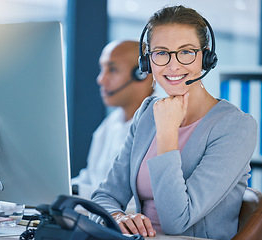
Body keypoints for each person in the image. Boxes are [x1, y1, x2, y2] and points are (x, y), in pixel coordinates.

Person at [91, 5, 257, 240]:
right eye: (161, 53)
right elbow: (104, 196)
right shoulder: (148, 113)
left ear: (206, 57)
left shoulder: (235, 127)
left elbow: (177, 221)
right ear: (147, 61)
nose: (173, 65)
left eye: (186, 51)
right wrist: (116, 217)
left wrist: (167, 133)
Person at [72, 40, 154, 199]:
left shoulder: (159, 124)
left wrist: (78, 192)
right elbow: (90, 177)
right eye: (102, 69)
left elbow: (139, 200)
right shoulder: (111, 123)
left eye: (112, 69)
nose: (101, 79)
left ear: (141, 74)